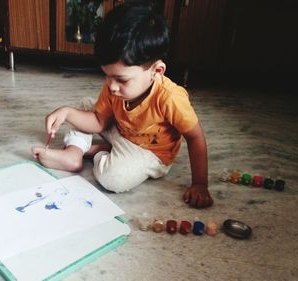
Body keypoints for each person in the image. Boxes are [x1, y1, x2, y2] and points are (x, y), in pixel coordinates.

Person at [32, 4, 213, 208]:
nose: (112, 86)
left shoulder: (170, 98)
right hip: (122, 130)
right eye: (107, 76)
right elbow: (99, 122)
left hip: (149, 152)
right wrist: (65, 112)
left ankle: (98, 152)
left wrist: (200, 184)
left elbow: (195, 137)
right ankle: (74, 154)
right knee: (83, 106)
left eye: (121, 80)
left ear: (157, 71)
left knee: (113, 178)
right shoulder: (114, 87)